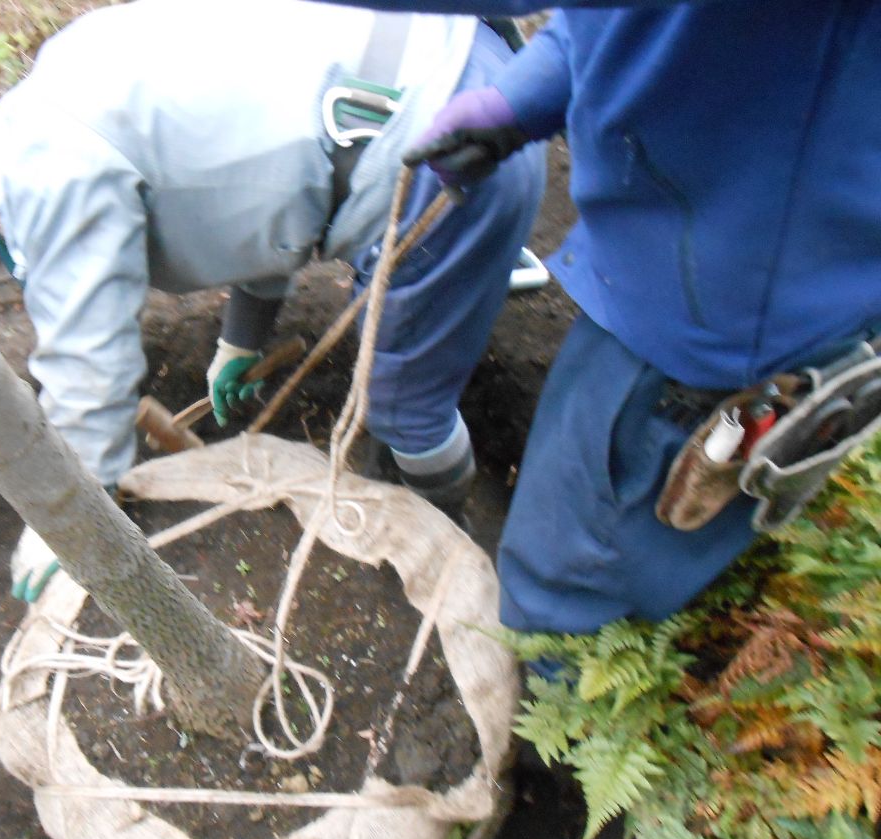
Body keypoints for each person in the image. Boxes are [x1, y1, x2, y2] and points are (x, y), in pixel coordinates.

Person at [308, 0, 881, 633]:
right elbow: (624, 20)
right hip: (700, 258)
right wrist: (524, 98)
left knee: (562, 587)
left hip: (722, 333)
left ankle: (563, 706)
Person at [0, 0, 545, 524]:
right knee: (405, 338)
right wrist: (242, 341)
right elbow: (260, 191)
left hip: (448, 153)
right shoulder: (81, 69)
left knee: (401, 402)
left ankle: (445, 524)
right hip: (479, 67)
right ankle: (479, 270)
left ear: (2, 202)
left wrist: (70, 514)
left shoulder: (45, 166)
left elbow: (88, 357)